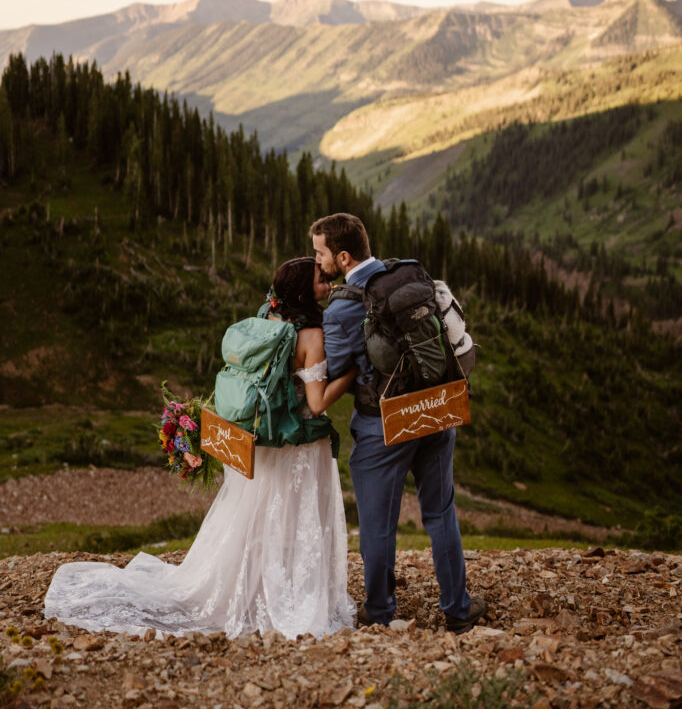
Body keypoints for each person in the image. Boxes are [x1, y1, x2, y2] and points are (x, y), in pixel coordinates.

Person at [44, 257, 356, 639]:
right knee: (293, 519)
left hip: (263, 441)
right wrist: (352, 371)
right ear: (303, 294)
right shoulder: (311, 336)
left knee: (259, 519)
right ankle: (288, 593)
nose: (328, 283)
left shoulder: (267, 319)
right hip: (297, 447)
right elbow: (319, 402)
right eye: (321, 280)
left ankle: (251, 589)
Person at [310, 212, 487, 634]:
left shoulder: (343, 307)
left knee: (377, 520)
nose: (317, 262)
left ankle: (381, 611)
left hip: (383, 424)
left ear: (344, 255)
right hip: (436, 406)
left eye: (321, 254)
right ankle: (458, 610)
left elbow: (335, 368)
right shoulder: (407, 272)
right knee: (441, 511)